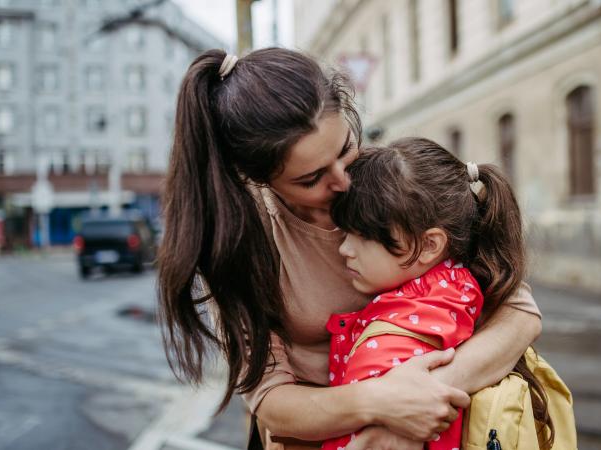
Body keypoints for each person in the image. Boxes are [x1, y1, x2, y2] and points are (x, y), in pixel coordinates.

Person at [157, 48, 542, 449]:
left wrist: (421, 400)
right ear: (257, 177)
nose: (343, 181)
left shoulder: (391, 184)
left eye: (344, 149)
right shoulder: (238, 240)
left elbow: (519, 314)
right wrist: (379, 404)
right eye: (312, 178)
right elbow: (271, 399)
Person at [321, 139, 551, 450]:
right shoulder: (462, 287)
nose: (345, 249)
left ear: (430, 245)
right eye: (345, 232)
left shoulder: (402, 332)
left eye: (362, 236)